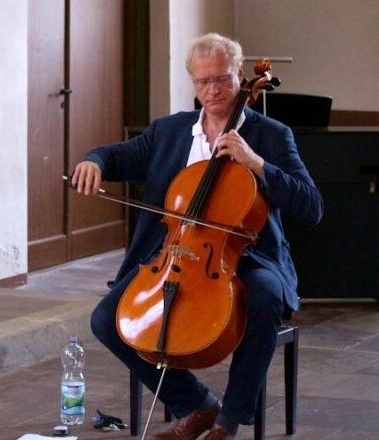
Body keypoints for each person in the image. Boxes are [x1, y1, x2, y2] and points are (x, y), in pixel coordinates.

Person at [71, 33, 323, 440]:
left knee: (263, 296)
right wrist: (93, 160)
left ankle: (229, 421)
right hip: (176, 255)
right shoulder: (169, 132)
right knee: (106, 319)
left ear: (239, 76)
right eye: (203, 82)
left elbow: (312, 205)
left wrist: (255, 163)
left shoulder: (271, 136)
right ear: (193, 82)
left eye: (222, 79)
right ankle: (198, 405)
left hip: (251, 255)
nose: (213, 91)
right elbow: (119, 154)